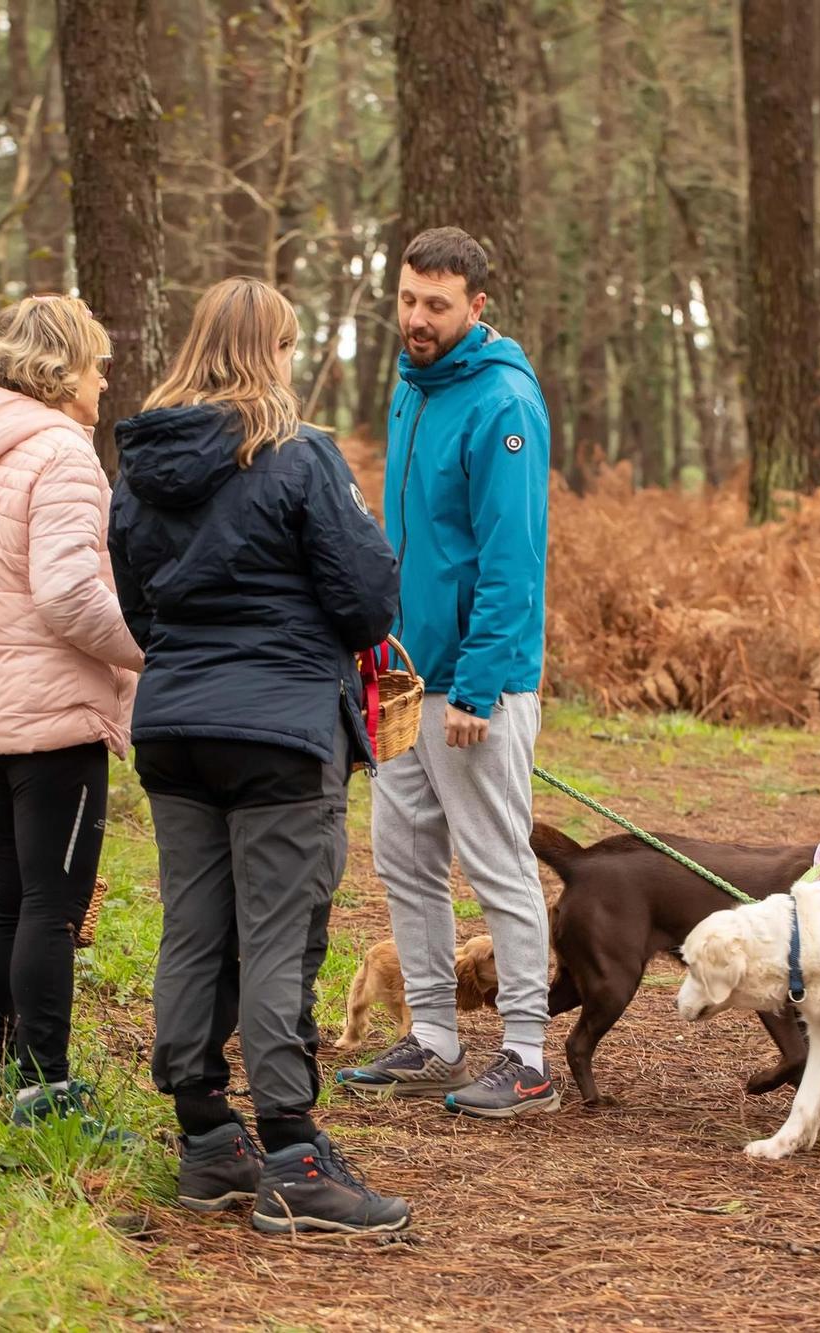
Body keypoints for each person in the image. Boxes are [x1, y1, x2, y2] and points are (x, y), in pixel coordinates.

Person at [109, 277, 406, 1235]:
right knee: (281, 934)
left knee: (194, 928)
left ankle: (207, 1137)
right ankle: (292, 1151)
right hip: (278, 730)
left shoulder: (143, 463)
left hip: (176, 723)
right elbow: (367, 599)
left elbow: (136, 602)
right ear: (272, 350)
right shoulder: (300, 455)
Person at [334, 226, 558, 1118]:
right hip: (399, 676)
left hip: (474, 685)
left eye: (437, 305)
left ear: (477, 307)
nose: (417, 319)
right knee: (405, 856)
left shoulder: (503, 404)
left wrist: (479, 682)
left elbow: (513, 557)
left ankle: (529, 1053)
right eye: (407, 300)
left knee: (498, 860)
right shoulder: (411, 388)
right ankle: (431, 1034)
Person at [0, 295, 143, 1135]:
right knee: (53, 904)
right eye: (96, 364)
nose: (103, 381)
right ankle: (46, 1089)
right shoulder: (59, 451)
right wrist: (146, 648)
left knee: (4, 895)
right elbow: (67, 592)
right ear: (60, 371)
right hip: (55, 710)